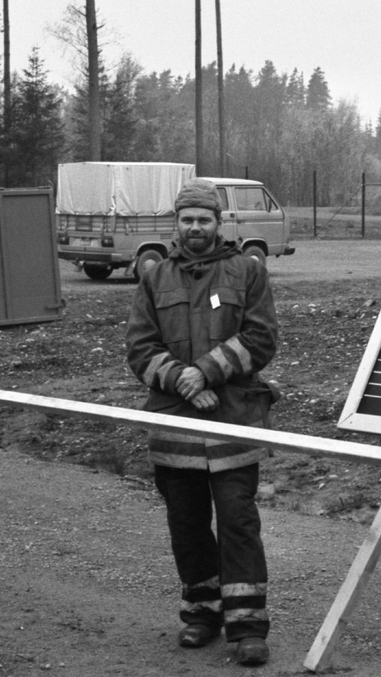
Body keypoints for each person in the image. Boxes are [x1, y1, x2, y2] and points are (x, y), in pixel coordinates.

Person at [125, 181, 279, 666]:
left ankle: (247, 626)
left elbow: (261, 338)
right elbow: (140, 348)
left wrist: (206, 371)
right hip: (175, 424)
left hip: (235, 421)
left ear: (219, 223)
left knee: (238, 523)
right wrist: (184, 381)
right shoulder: (154, 277)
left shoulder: (248, 272)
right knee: (187, 525)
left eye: (204, 219)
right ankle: (201, 612)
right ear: (176, 223)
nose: (195, 227)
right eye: (187, 219)